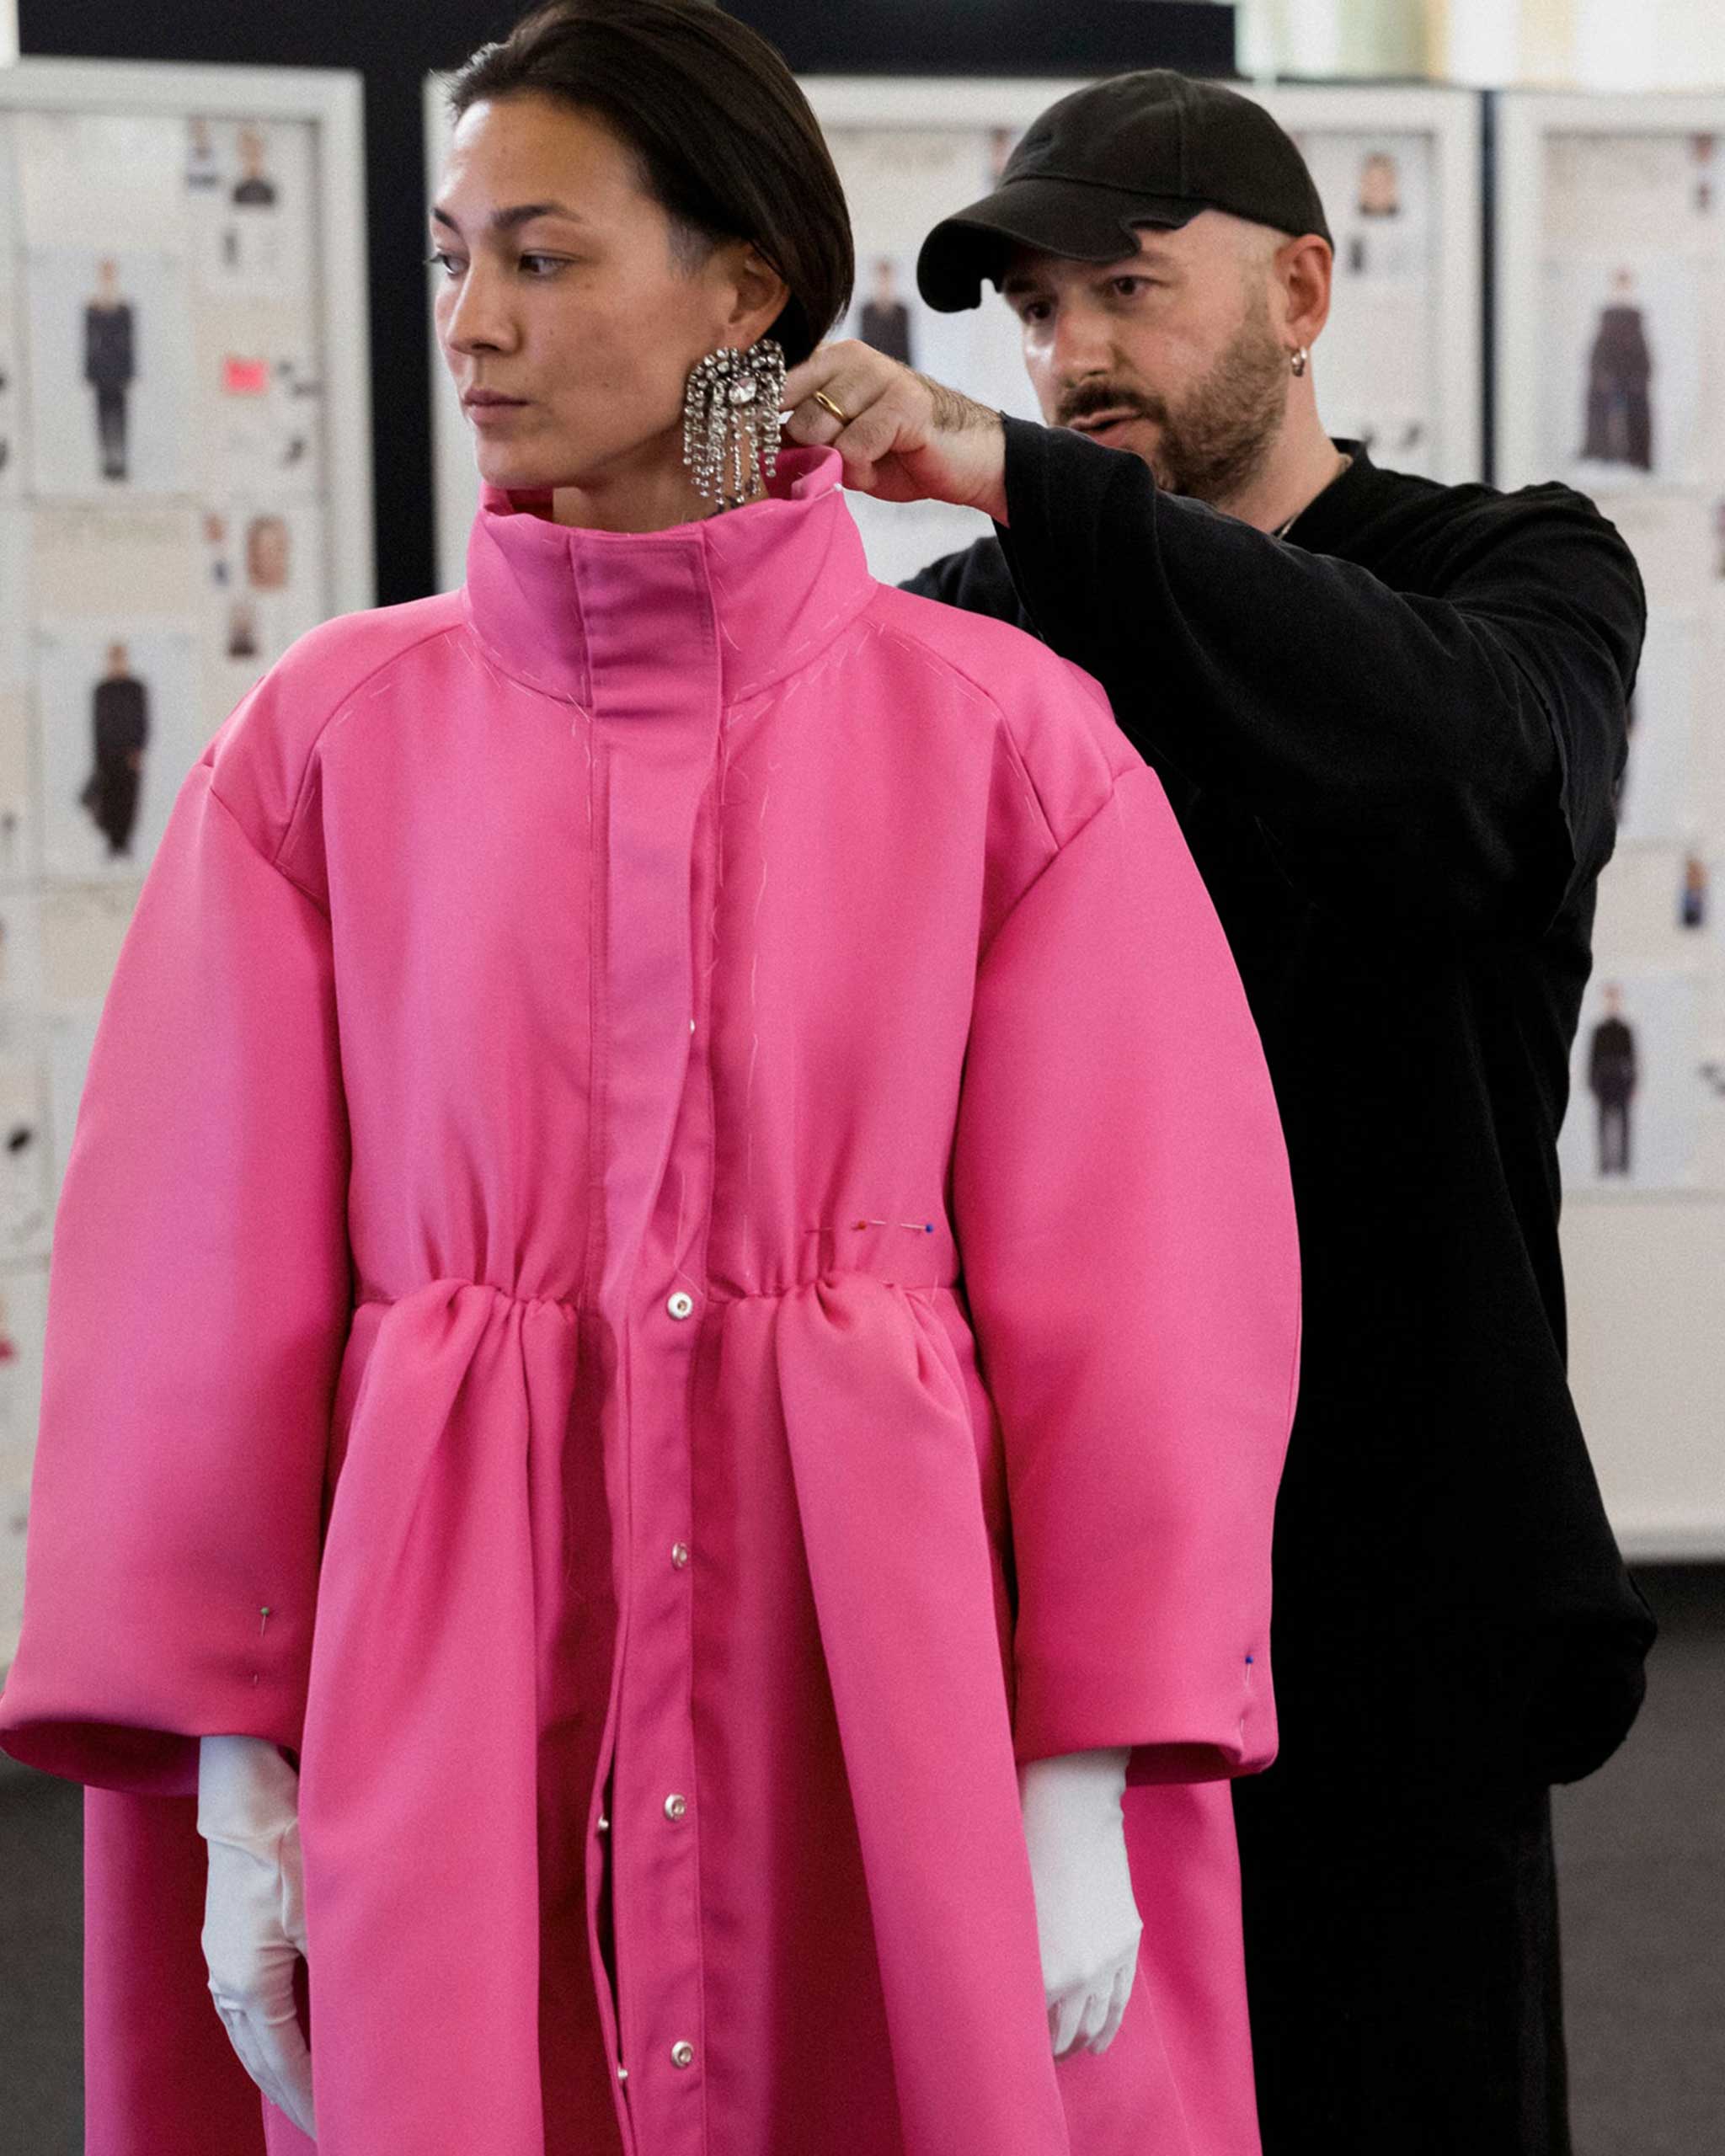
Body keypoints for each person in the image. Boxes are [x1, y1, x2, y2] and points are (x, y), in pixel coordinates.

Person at [0, 13, 1300, 2156]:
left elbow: (1149, 1292)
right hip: (440, 1671)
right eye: (452, 261)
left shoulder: (1005, 744)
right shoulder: (322, 749)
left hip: (870, 1673)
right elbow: (184, 1300)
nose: (472, 325)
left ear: (741, 290)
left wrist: (1086, 1764)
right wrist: (235, 1771)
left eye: (542, 256)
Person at [777, 67, 1658, 2156]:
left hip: (1402, 1549)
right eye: (1033, 313)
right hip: (1072, 1551)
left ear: (1301, 291)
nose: (1069, 351)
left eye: (1126, 290)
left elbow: (1468, 775)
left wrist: (1022, 484)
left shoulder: (1513, 569)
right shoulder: (983, 630)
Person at [1588, 985, 1638, 1177]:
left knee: (1624, 1124)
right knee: (1602, 1124)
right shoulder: (1599, 1031)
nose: (1612, 1003)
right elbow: (1592, 1059)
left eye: (1615, 999)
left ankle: (1624, 1165)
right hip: (1604, 1081)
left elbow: (1632, 1060)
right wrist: (1592, 1083)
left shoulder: (1626, 1030)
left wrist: (1633, 1084)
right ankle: (1604, 1165)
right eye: (1609, 999)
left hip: (1622, 1081)